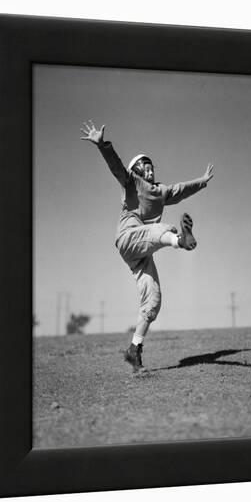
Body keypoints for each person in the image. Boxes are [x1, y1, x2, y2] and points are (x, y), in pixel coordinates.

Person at [80, 120, 214, 373]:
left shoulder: (161, 191)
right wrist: (102, 145)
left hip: (143, 250)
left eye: (152, 166)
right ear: (138, 169)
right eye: (146, 166)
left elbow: (182, 189)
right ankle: (180, 240)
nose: (151, 169)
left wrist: (203, 181)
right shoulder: (131, 182)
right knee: (162, 230)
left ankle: (133, 350)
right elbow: (116, 167)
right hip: (129, 237)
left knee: (152, 300)